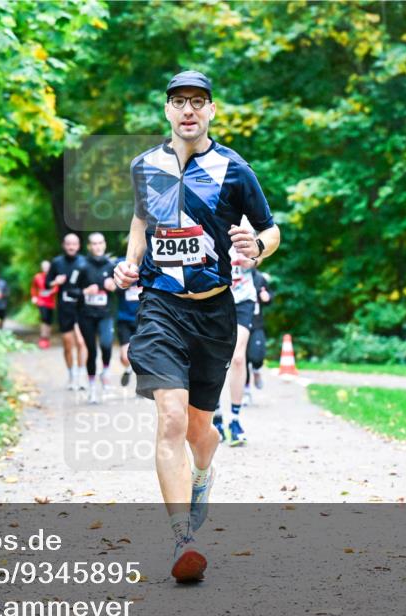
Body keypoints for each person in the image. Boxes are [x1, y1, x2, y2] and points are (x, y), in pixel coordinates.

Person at [113, 70, 280, 583]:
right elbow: (141, 221)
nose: (188, 109)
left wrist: (258, 248)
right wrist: (129, 263)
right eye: (179, 101)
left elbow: (270, 229)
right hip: (161, 305)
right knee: (169, 419)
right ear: (167, 110)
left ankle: (203, 474)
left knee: (200, 430)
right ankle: (182, 539)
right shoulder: (146, 167)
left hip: (213, 311)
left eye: (198, 102)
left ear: (211, 111)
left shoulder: (234, 169)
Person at [213, 229, 257, 446]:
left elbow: (260, 249)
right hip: (216, 299)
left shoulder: (245, 219)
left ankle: (235, 420)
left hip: (244, 300)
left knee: (238, 357)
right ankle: (217, 417)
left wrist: (253, 260)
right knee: (215, 359)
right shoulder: (206, 211)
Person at [76, 233, 117, 404]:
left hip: (105, 314)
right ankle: (92, 388)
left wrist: (114, 286)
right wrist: (85, 292)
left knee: (106, 344)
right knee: (91, 352)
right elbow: (70, 292)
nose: (97, 246)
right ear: (89, 247)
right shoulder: (82, 266)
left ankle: (105, 370)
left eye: (100, 243)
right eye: (94, 244)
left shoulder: (112, 266)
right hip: (86, 315)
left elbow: (124, 289)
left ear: (105, 245)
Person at [46, 234, 89, 390]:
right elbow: (46, 284)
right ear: (64, 245)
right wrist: (55, 282)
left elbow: (92, 282)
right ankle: (71, 376)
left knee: (82, 342)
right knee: (68, 344)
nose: (71, 247)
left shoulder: (84, 262)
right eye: (68, 244)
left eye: (74, 244)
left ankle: (81, 376)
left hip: (82, 308)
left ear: (78, 246)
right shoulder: (57, 263)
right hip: (65, 309)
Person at [247, 265, 274, 392]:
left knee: (257, 356)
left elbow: (269, 296)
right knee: (241, 359)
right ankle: (245, 390)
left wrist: (266, 297)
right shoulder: (231, 275)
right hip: (237, 323)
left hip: (256, 323)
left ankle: (257, 370)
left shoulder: (259, 277)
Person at [116, 280, 142, 388]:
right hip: (124, 319)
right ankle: (128, 368)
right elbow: (115, 289)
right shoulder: (123, 270)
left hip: (141, 319)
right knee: (124, 357)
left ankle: (141, 383)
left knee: (141, 354)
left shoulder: (146, 272)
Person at [30, 260, 57, 349]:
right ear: (41, 268)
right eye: (44, 267)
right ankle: (43, 338)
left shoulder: (53, 277)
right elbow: (33, 287)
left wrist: (51, 291)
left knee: (49, 320)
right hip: (41, 301)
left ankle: (47, 338)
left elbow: (57, 287)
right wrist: (34, 297)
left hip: (51, 302)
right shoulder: (37, 277)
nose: (45, 268)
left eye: (47, 267)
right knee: (44, 318)